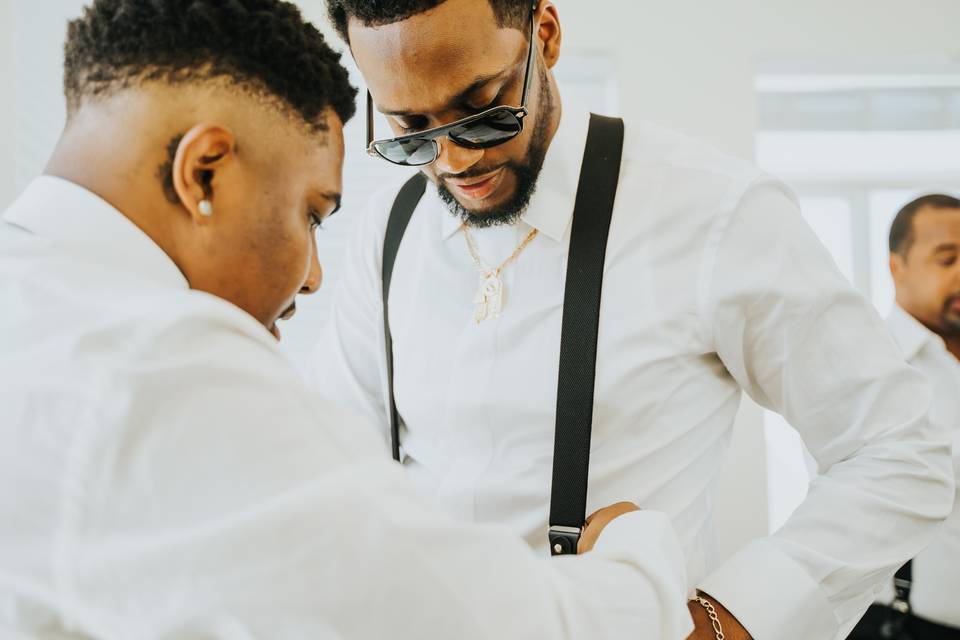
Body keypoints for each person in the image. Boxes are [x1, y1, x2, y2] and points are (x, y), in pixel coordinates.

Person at [0, 1, 696, 638]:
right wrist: (641, 556)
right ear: (205, 172)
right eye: (310, 212)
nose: (313, 276)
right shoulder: (159, 363)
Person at [310, 1, 956, 639]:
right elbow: (344, 462)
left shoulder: (713, 211)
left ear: (546, 34)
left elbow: (900, 452)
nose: (453, 160)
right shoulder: (390, 226)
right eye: (411, 127)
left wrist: (733, 621)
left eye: (483, 109)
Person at [850, 195, 960, 640]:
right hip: (905, 627)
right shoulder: (866, 362)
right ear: (896, 267)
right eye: (948, 258)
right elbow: (874, 475)